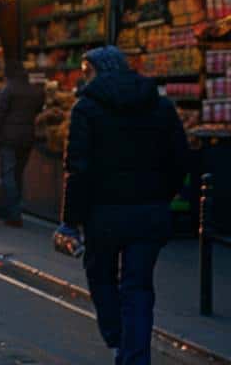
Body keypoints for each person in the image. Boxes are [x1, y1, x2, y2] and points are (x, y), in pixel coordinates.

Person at [60, 46, 188, 365]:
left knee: (101, 276)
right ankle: (135, 356)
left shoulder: (86, 109)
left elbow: (78, 168)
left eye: (87, 70)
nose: (84, 77)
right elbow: (181, 160)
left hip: (104, 213)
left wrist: (70, 220)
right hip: (149, 212)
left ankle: (118, 340)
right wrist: (162, 195)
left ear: (97, 72)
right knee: (139, 286)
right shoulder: (160, 107)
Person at [0, 60, 45, 227]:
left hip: (9, 137)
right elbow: (39, 108)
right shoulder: (33, 90)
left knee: (8, 175)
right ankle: (15, 208)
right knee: (18, 174)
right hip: (27, 136)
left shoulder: (8, 89)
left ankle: (12, 213)